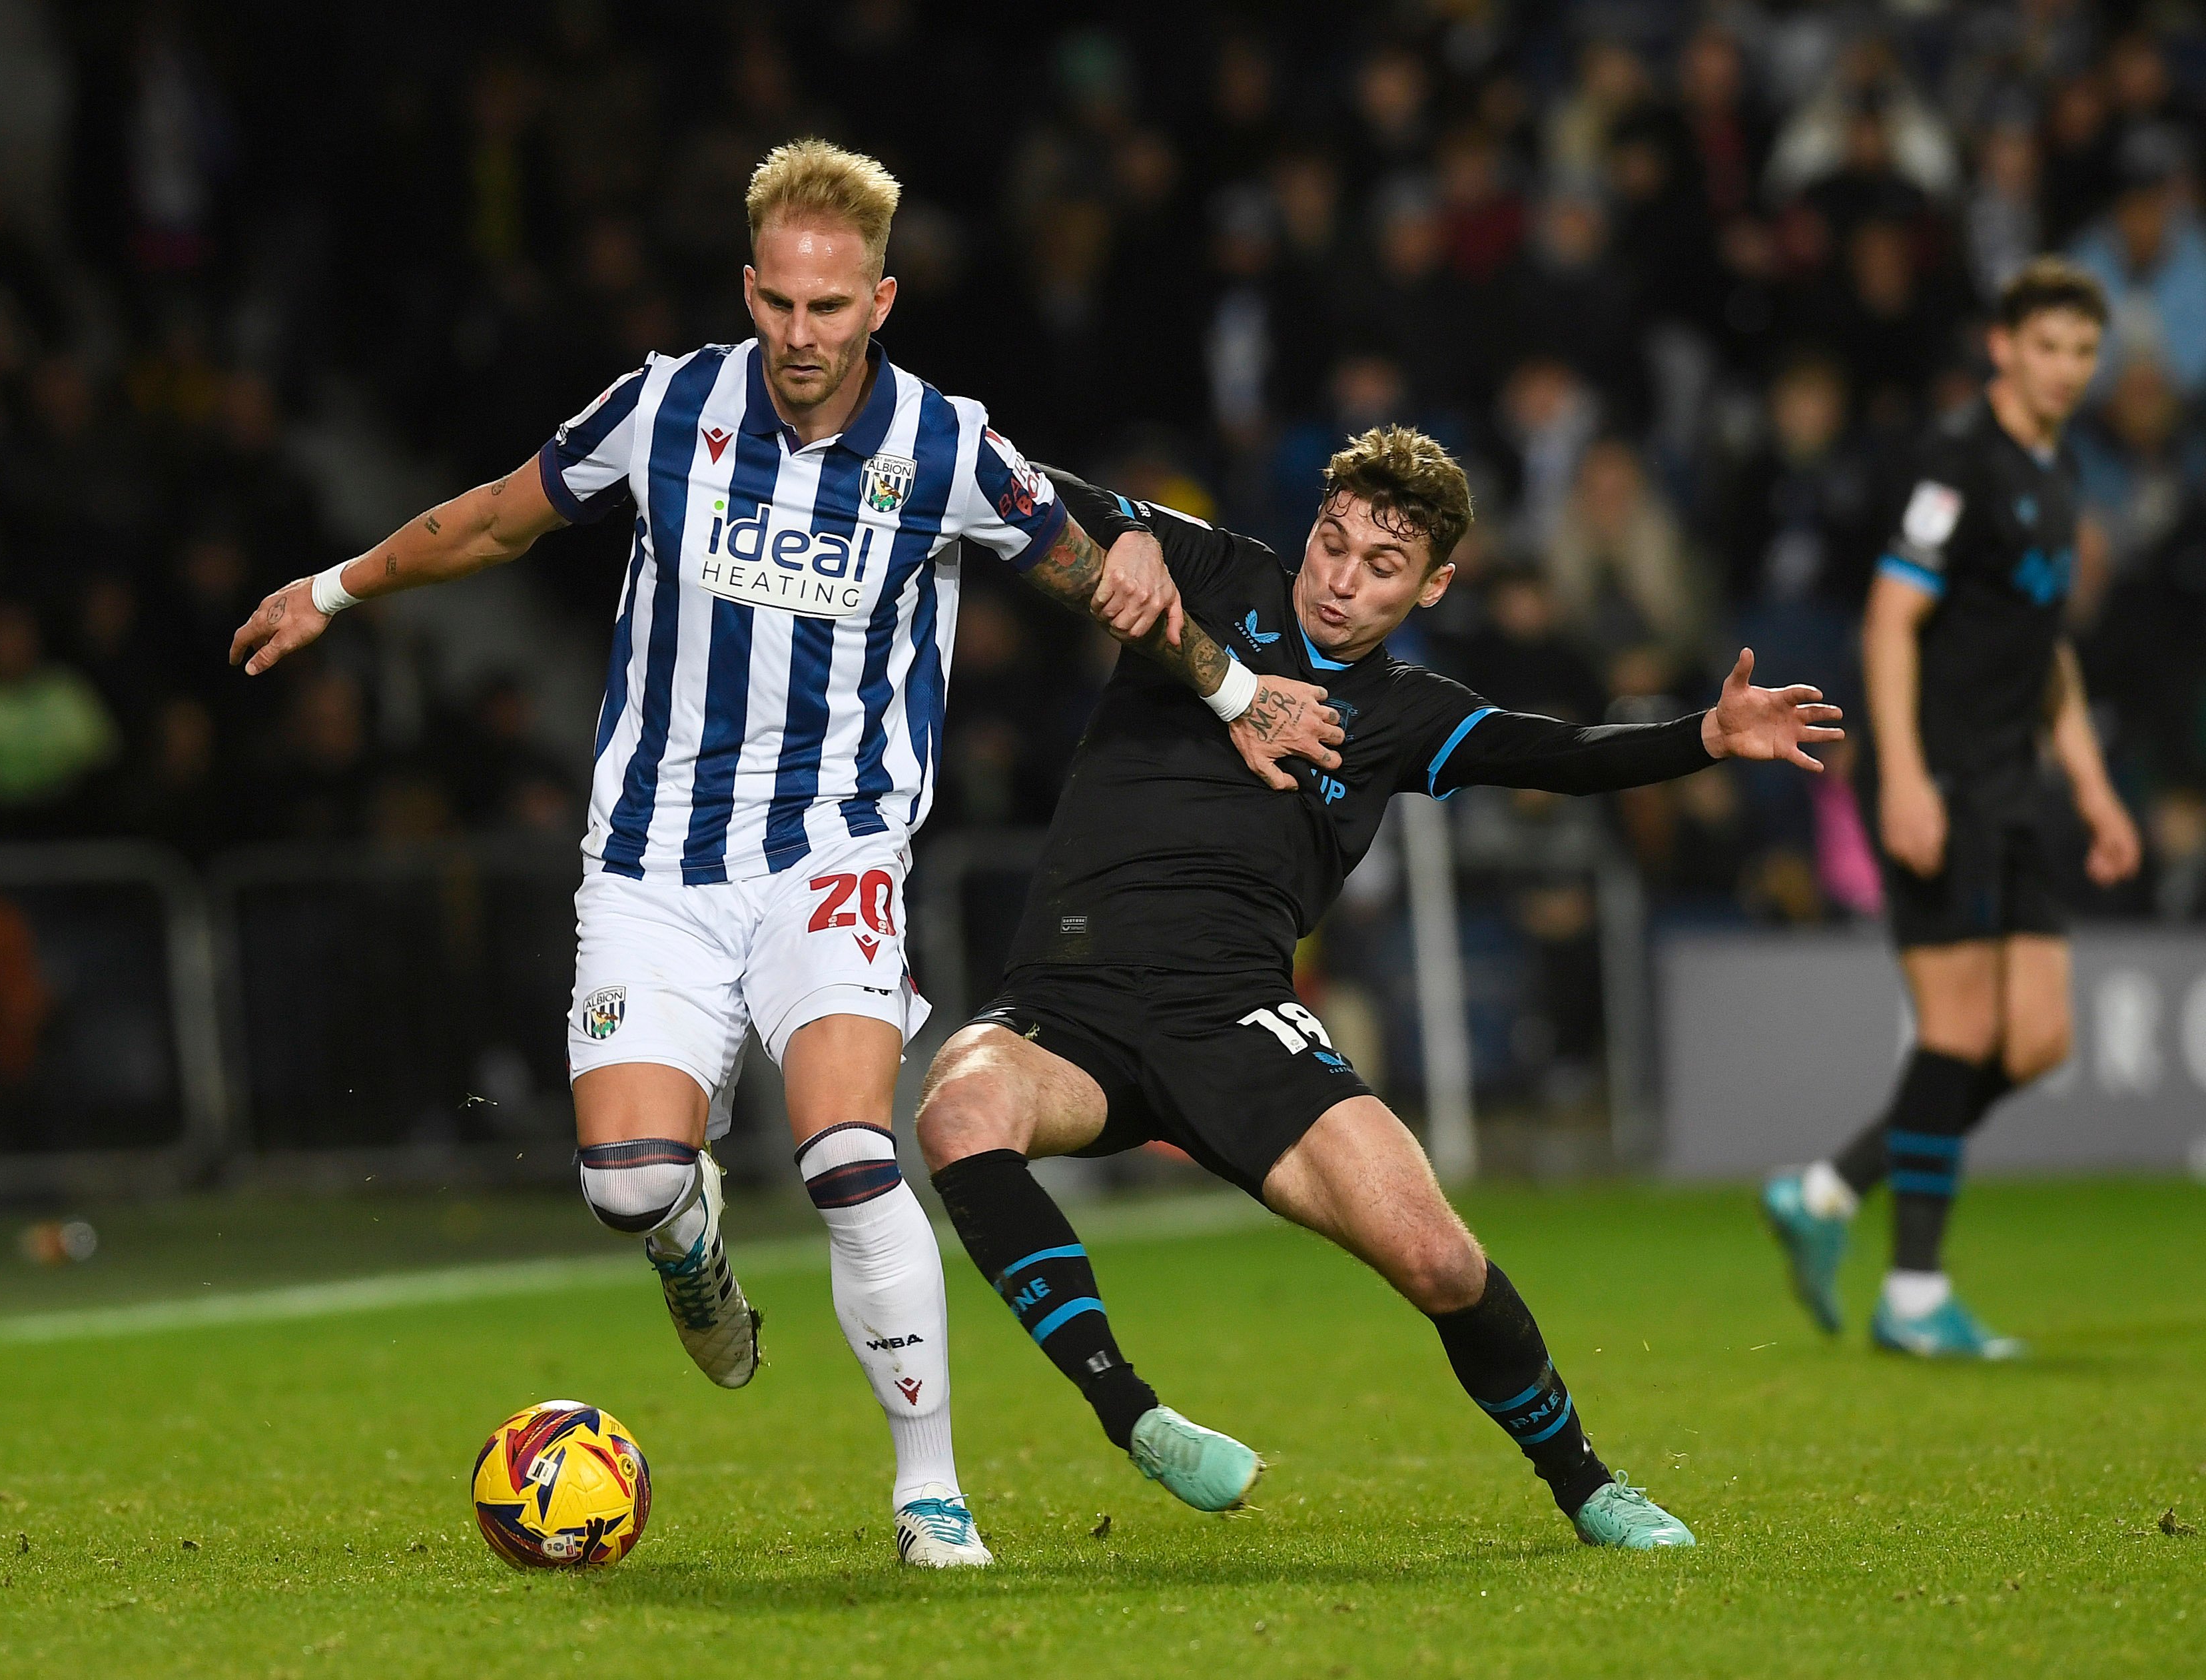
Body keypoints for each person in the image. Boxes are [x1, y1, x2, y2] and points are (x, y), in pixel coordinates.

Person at [229, 140, 1336, 1568]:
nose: (802, 337)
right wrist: (336, 586)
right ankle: (686, 1246)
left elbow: (1095, 578)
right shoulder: (664, 404)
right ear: (750, 289)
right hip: (652, 864)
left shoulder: (945, 446)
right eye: (781, 306)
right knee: (626, 1181)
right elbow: (500, 516)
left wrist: (1237, 693)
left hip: (834, 857)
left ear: (881, 299)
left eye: (832, 308)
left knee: (847, 1151)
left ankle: (929, 1495)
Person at [915, 428, 1841, 1548]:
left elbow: (1562, 752)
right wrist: (1121, 533)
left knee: (1440, 1256)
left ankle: (1587, 1483)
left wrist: (1702, 734)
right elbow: (1010, 475)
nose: (1339, 579)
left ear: (1435, 582)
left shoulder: (1407, 711)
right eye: (1331, 542)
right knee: (957, 1110)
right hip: (1068, 996)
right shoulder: (1216, 569)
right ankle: (1134, 1414)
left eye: (1380, 565)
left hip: (1236, 1017)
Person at [1763, 258, 2142, 1358]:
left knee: (2035, 1039)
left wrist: (2093, 783)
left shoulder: (2057, 466)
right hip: (1940, 776)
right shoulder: (1955, 461)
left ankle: (1830, 1187)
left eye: (2083, 350)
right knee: (1961, 1029)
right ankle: (1915, 1293)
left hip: (2011, 782)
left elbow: (2043, 648)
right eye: (2048, 347)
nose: (2066, 368)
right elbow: (1889, 622)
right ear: (2002, 347)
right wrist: (1909, 776)